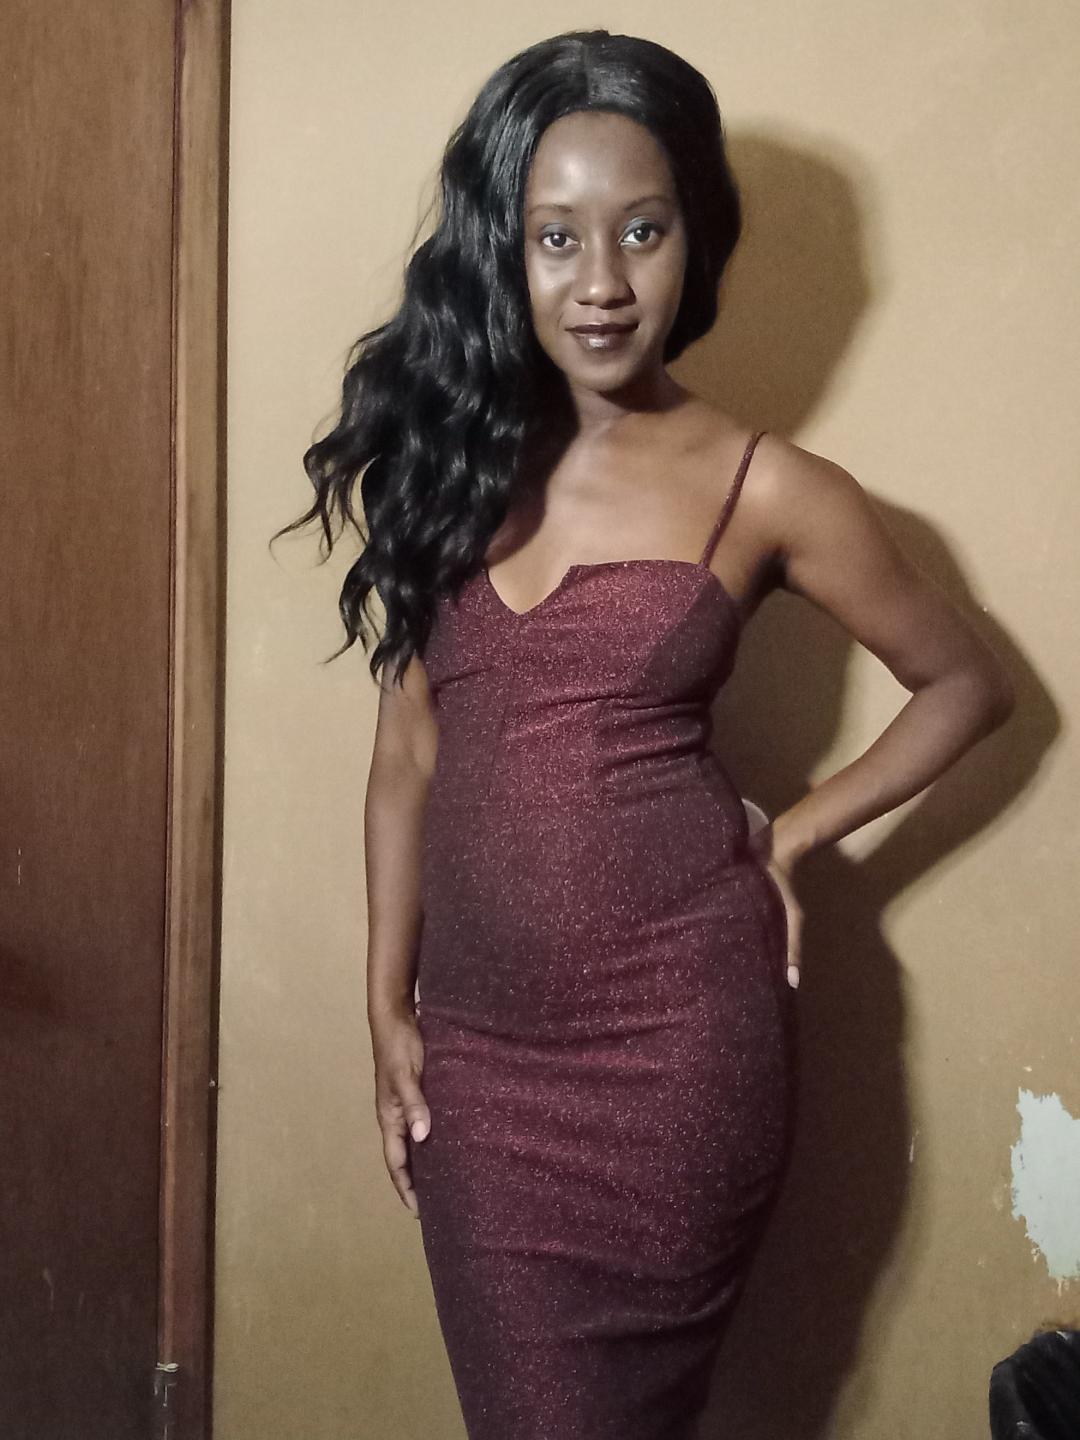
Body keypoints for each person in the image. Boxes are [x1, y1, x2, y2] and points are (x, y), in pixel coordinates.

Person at [277, 29, 1015, 1440]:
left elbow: (968, 686)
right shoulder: (447, 465)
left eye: (642, 230)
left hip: (681, 1053)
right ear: (504, 247)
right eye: (556, 237)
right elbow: (407, 758)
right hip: (482, 1062)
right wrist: (385, 1005)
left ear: (695, 241)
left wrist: (794, 835)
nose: (602, 282)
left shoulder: (768, 484)